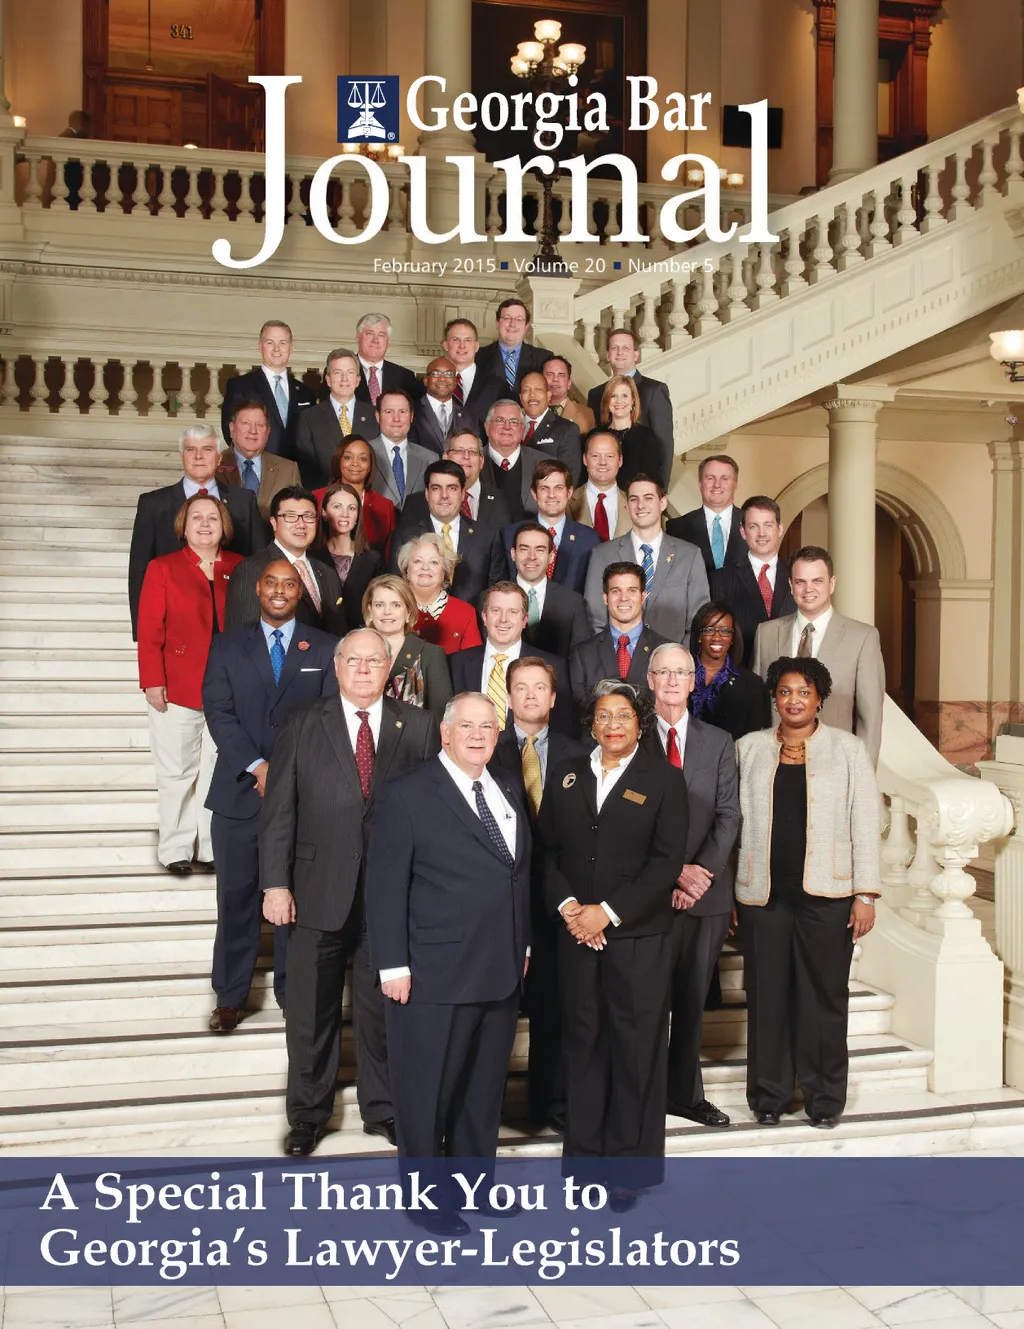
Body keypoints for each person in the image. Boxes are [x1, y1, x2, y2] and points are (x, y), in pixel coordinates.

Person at [260, 628, 439, 1158]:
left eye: (373, 661)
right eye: (353, 660)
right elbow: (279, 810)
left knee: (381, 1013)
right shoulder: (302, 721)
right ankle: (307, 1116)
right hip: (315, 892)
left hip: (390, 900)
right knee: (309, 1014)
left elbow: (434, 814)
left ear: (389, 667)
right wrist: (275, 883)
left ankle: (382, 1109)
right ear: (336, 667)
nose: (363, 669)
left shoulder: (419, 726)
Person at [366, 692, 531, 1235]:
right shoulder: (407, 792)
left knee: (481, 1090)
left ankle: (473, 1186)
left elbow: (516, 873)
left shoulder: (505, 786)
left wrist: (524, 944)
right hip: (432, 972)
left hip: (500, 965)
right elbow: (384, 885)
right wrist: (392, 965)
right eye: (467, 726)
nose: (478, 735)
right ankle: (423, 1198)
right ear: (445, 732)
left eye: (487, 726)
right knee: (425, 1092)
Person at [537, 679, 688, 1199]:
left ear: (640, 723)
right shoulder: (567, 773)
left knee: (635, 1051)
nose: (613, 725)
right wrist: (570, 909)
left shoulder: (664, 780)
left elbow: (665, 863)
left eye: (623, 715)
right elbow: (547, 851)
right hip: (577, 935)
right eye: (604, 715)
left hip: (637, 939)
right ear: (591, 723)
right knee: (583, 1046)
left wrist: (607, 913)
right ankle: (583, 1165)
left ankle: (628, 1172)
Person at [736, 656, 880, 1128]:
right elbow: (732, 822)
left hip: (829, 894)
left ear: (819, 698)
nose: (793, 700)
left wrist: (865, 894)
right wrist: (733, 888)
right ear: (774, 698)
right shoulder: (748, 748)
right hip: (764, 896)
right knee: (767, 997)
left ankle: (824, 1101)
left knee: (824, 999)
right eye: (785, 691)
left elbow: (865, 820)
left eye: (803, 691)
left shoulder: (848, 750)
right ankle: (769, 1096)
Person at [202, 559, 338, 1032]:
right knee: (235, 900)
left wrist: (287, 774)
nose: (280, 590)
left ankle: (289, 993)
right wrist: (258, 767)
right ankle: (229, 995)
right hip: (239, 794)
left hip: (303, 794)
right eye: (271, 582)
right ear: (257, 589)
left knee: (293, 901)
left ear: (301, 592)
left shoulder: (325, 647)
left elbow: (327, 716)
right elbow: (218, 712)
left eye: (289, 583)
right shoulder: (226, 645)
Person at [488, 657, 590, 1132]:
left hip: (557, 898)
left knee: (554, 1007)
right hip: (496, 900)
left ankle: (551, 1103)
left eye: (539, 687)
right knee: (493, 1010)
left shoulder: (581, 753)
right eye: (521, 687)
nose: (530, 695)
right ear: (508, 697)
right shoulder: (486, 748)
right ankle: (486, 1108)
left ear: (553, 697)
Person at [645, 643, 740, 1128]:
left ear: (692, 681)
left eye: (680, 672)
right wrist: (671, 872)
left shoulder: (718, 742)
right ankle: (641, 1095)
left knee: (691, 1001)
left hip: (705, 895)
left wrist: (698, 873)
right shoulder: (629, 737)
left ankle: (685, 1094)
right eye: (663, 672)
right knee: (644, 1001)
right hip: (645, 896)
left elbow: (728, 815)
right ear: (649, 680)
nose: (671, 681)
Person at [136, 493, 242, 875]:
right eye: (197, 517)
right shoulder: (162, 568)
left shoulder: (240, 567)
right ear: (184, 526)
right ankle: (175, 848)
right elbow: (149, 630)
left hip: (228, 688)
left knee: (216, 769)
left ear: (224, 526)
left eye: (213, 517)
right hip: (177, 686)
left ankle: (210, 847)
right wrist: (152, 680)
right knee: (177, 770)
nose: (205, 524)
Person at [752, 545, 886, 766]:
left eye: (817, 581)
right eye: (800, 582)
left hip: (836, 766)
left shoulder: (863, 638)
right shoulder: (765, 633)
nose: (808, 589)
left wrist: (863, 776)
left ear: (831, 584)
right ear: (790, 585)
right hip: (775, 764)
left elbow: (870, 720)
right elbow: (757, 708)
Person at [128, 423, 266, 637]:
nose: (199, 456)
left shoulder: (244, 501)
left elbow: (258, 562)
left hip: (233, 621)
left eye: (207, 449)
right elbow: (139, 570)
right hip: (175, 627)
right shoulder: (153, 504)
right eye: (191, 449)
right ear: (182, 456)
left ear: (219, 458)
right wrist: (143, 632)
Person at [584, 475, 709, 640]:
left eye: (648, 498)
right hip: (618, 653)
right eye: (634, 499)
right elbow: (594, 620)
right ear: (627, 506)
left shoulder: (690, 556)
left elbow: (699, 621)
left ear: (662, 503)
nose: (640, 505)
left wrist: (679, 654)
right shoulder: (602, 555)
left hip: (673, 654)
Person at [450, 581, 573, 735]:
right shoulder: (456, 663)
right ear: (484, 617)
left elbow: (563, 727)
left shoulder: (553, 665)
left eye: (512, 612)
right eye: (496, 610)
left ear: (525, 620)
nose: (503, 619)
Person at [224, 486, 347, 636]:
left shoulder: (327, 571)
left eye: (308, 516)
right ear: (274, 523)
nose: (301, 524)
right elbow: (242, 637)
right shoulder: (251, 570)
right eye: (290, 516)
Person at [390, 459, 504, 604]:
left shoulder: (488, 537)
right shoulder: (404, 537)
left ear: (463, 494)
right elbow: (395, 589)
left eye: (452, 488)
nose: (444, 495)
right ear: (427, 494)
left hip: (472, 617)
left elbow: (496, 593)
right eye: (436, 488)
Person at [711, 496, 796, 668]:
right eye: (753, 526)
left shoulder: (797, 577)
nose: (762, 533)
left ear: (779, 529)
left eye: (768, 525)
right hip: (740, 674)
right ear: (743, 532)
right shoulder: (721, 579)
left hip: (790, 675)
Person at [571, 562, 669, 705]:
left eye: (632, 590)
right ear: (605, 598)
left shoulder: (666, 650)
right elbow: (581, 708)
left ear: (643, 596)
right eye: (616, 591)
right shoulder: (583, 654)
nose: (624, 598)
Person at [586, 329, 674, 489]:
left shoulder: (654, 390)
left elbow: (664, 444)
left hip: (640, 482)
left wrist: (661, 488)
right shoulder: (596, 393)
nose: (619, 352)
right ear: (608, 355)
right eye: (614, 348)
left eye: (625, 347)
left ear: (636, 355)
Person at [500, 458, 600, 594]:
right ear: (534, 493)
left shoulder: (588, 539)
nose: (551, 495)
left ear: (569, 492)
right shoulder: (510, 534)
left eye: (558, 488)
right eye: (544, 488)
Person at [221, 320, 317, 461]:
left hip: (297, 470)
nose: (276, 349)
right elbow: (230, 430)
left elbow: (312, 436)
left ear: (291, 347)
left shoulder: (305, 392)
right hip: (258, 468)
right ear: (260, 347)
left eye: (282, 343)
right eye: (270, 342)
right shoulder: (240, 386)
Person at [363, 573, 453, 721]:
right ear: (370, 611)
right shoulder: (355, 651)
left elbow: (440, 717)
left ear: (409, 613)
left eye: (396, 605)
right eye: (379, 605)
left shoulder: (430, 654)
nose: (387, 612)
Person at [295, 348, 376, 489]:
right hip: (325, 496)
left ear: (357, 380)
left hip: (367, 496)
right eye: (338, 373)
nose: (344, 379)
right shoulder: (309, 418)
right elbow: (307, 470)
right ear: (328, 380)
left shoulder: (374, 415)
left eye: (350, 372)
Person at [689, 601, 771, 740]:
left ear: (732, 638)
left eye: (725, 631)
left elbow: (758, 739)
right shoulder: (679, 675)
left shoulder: (752, 684)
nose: (717, 637)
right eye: (709, 630)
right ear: (699, 636)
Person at [510, 522, 591, 660]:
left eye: (540, 550)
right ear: (513, 554)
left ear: (551, 556)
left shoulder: (572, 602)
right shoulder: (491, 598)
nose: (532, 556)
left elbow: (581, 658)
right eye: (524, 549)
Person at [402, 430, 512, 530]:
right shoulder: (415, 504)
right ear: (445, 457)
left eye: (473, 452)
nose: (466, 456)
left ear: (481, 461)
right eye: (459, 451)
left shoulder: (502, 501)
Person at [216, 400, 301, 526]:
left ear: (268, 431)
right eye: (245, 423)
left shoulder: (289, 470)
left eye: (260, 425)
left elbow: (297, 517)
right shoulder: (213, 465)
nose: (253, 431)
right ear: (232, 429)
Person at [311, 435, 396, 558]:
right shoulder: (316, 498)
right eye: (348, 457)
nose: (355, 463)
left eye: (363, 459)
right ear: (339, 461)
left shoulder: (385, 506)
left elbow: (389, 556)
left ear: (370, 466)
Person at [397, 533, 482, 654]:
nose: (425, 567)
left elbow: (471, 660)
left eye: (434, 562)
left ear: (444, 573)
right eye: (418, 561)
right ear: (406, 570)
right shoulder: (391, 607)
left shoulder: (465, 613)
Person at [317, 481, 382, 631]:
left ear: (357, 515)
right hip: (319, 637)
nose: (345, 514)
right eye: (337, 506)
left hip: (361, 636)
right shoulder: (311, 557)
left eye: (351, 508)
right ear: (324, 512)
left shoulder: (372, 560)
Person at [666, 455, 745, 577]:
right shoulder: (676, 528)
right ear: (700, 484)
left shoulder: (753, 523)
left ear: (735, 484)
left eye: (724, 478)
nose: (717, 485)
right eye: (710, 478)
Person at [368, 389, 435, 513]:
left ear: (411, 416)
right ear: (378, 416)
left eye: (402, 412)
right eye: (389, 412)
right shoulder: (364, 454)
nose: (396, 418)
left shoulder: (430, 458)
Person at [596, 375, 665, 491]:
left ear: (633, 400)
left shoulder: (647, 438)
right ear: (607, 401)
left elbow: (651, 481)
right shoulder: (595, 436)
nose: (619, 401)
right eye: (613, 396)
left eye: (624, 396)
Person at [479, 400, 543, 521]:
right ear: (487, 427)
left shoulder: (543, 463)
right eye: (500, 420)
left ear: (523, 429)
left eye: (513, 422)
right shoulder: (471, 462)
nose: (507, 427)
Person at [475, 297, 552, 393]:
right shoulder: (477, 357)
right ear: (497, 323)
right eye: (507, 318)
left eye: (519, 319)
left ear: (526, 326)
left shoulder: (543, 359)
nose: (512, 324)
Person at [440, 317, 503, 431]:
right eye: (456, 339)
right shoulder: (430, 384)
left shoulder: (497, 386)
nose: (462, 345)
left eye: (468, 340)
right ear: (445, 345)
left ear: (476, 346)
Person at [568, 430, 630, 541]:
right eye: (595, 456)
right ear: (585, 459)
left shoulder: (634, 502)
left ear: (620, 460)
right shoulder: (566, 503)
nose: (603, 462)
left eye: (609, 456)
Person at [519, 372, 583, 480]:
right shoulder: (511, 426)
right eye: (526, 390)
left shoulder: (567, 429)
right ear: (520, 397)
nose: (532, 395)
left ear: (548, 396)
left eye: (538, 390)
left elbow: (571, 476)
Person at [409, 357, 477, 456]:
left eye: (449, 374)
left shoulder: (470, 417)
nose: (442, 379)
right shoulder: (410, 411)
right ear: (426, 380)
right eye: (436, 373)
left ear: (455, 381)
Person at [353, 312, 423, 409]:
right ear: (358, 337)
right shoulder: (341, 371)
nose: (375, 340)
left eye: (381, 335)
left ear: (388, 341)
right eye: (370, 333)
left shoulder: (405, 377)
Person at [544, 355, 595, 436]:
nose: (555, 379)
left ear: (569, 383)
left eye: (561, 375)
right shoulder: (526, 412)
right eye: (549, 374)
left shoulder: (586, 414)